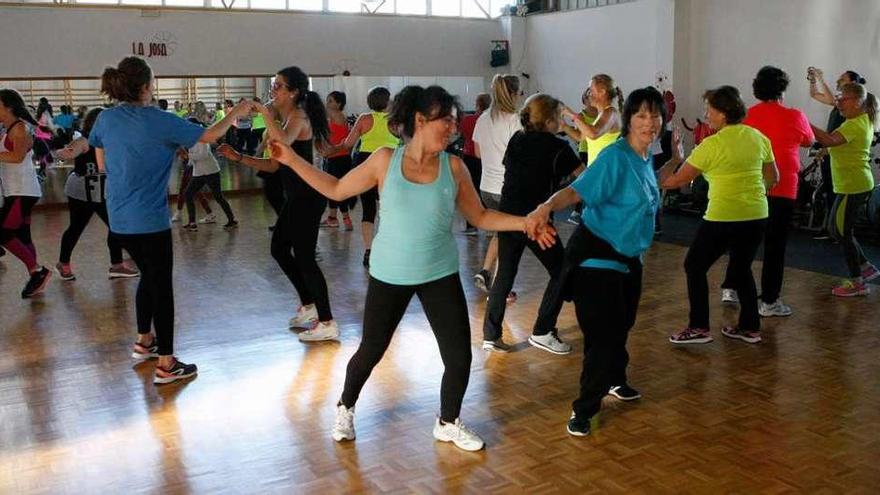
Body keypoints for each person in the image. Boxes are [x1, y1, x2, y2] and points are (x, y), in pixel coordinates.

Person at [267, 84, 557, 452]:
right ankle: (345, 405)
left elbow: (480, 215)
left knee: (459, 356)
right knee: (371, 350)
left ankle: (447, 421)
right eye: (446, 121)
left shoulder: (454, 167)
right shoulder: (385, 160)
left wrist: (525, 222)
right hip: (391, 275)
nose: (453, 128)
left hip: (440, 273)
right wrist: (291, 159)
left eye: (454, 121)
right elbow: (338, 189)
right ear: (420, 120)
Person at [90, 56, 251, 384]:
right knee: (161, 287)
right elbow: (208, 135)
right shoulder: (161, 121)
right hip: (149, 221)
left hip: (118, 218)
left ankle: (144, 341)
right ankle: (166, 364)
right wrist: (234, 113)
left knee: (148, 278)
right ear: (147, 87)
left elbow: (101, 157)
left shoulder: (106, 119)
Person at [525, 87, 667, 436]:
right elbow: (576, 190)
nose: (649, 122)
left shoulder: (646, 158)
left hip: (630, 256)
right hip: (596, 256)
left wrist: (677, 158)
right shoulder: (615, 157)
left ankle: (616, 380)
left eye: (655, 115)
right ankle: (584, 409)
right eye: (641, 115)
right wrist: (545, 208)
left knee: (623, 324)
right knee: (603, 337)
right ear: (629, 119)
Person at [218, 66, 339, 342]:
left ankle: (327, 321)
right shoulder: (286, 120)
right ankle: (309, 307)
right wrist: (238, 157)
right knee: (280, 249)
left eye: (279, 86)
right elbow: (274, 165)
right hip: (296, 197)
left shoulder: (298, 116)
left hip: (309, 196)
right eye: (274, 85)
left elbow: (283, 143)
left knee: (305, 258)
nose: (273, 90)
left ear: (293, 92)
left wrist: (263, 112)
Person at [661, 86, 778, 345]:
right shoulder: (758, 137)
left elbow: (673, 182)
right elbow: (773, 178)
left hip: (723, 217)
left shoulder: (710, 145)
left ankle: (699, 327)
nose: (706, 115)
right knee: (741, 268)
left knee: (694, 265)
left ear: (723, 114)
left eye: (709, 110)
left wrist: (674, 157)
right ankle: (749, 327)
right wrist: (749, 192)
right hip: (757, 215)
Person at [482, 94, 584, 354]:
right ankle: (543, 330)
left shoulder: (517, 139)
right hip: (536, 222)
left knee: (505, 274)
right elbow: (584, 178)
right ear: (550, 120)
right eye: (558, 118)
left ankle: (490, 337)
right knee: (562, 270)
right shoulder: (558, 148)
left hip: (510, 218)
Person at [718, 67, 814, 315]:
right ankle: (769, 302)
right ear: (782, 89)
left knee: (743, 240)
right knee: (774, 247)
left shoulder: (748, 115)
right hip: (783, 190)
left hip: (752, 188)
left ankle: (730, 287)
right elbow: (809, 141)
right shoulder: (795, 115)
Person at [809, 82, 879, 296]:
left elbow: (830, 139)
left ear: (858, 101)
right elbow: (843, 145)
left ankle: (858, 282)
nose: (838, 102)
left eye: (843, 99)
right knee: (837, 229)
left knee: (840, 231)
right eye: (837, 98)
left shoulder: (854, 124)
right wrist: (825, 152)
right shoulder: (861, 120)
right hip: (853, 184)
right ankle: (866, 268)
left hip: (853, 185)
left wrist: (804, 123)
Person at [54, 107, 139, 281]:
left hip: (102, 191)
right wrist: (62, 151)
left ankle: (117, 265)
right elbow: (69, 152)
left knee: (116, 226)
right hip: (82, 192)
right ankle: (63, 263)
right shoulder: (85, 140)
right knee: (76, 228)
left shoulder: (111, 140)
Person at [327, 87, 401, 267]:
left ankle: (369, 250)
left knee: (369, 210)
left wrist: (333, 149)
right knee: (389, 209)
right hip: (389, 164)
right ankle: (390, 248)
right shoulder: (396, 120)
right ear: (385, 100)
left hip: (366, 163)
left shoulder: (364, 119)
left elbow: (348, 144)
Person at [472, 74, 522, 293]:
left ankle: (484, 271)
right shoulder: (514, 119)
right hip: (507, 187)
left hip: (486, 187)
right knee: (509, 240)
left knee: (499, 235)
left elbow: (477, 151)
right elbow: (519, 156)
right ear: (513, 93)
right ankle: (501, 288)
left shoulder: (483, 117)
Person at [0, 89, 51, 298]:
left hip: (23, 190)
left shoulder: (18, 128)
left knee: (2, 233)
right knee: (22, 235)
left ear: (8, 106)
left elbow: (17, 157)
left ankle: (37, 271)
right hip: (16, 190)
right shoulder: (8, 128)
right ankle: (35, 276)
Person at [808, 68, 866, 239]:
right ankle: (831, 230)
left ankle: (836, 233)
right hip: (834, 158)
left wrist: (820, 77)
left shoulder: (851, 114)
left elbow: (831, 138)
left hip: (847, 172)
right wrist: (813, 80)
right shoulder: (842, 105)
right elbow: (815, 95)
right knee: (829, 191)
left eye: (842, 80)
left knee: (842, 228)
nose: (838, 81)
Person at [181, 118, 237, 231]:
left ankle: (232, 220)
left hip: (211, 171)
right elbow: (192, 155)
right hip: (199, 172)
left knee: (218, 196)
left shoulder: (203, 137)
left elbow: (203, 155)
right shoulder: (191, 138)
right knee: (188, 194)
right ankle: (192, 223)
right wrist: (188, 164)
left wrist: (188, 157)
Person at [560, 88, 599, 225]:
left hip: (598, 151)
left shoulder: (603, 114)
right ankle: (577, 212)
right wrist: (565, 126)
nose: (592, 100)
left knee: (593, 182)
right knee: (585, 181)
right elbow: (579, 137)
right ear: (585, 100)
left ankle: (585, 211)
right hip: (586, 151)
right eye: (589, 97)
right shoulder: (581, 115)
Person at [319, 91, 354, 230]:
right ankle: (332, 218)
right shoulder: (332, 117)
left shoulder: (338, 115)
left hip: (339, 159)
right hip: (333, 158)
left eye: (331, 101)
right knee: (331, 189)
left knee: (337, 190)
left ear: (339, 104)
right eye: (327, 100)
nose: (328, 103)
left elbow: (322, 109)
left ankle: (346, 218)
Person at [459, 93, 490, 235]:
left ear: (477, 104)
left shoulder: (467, 120)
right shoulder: (491, 120)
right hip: (489, 159)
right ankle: (490, 225)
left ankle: (471, 225)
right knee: (488, 190)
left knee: (471, 191)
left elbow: (459, 133)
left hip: (470, 158)